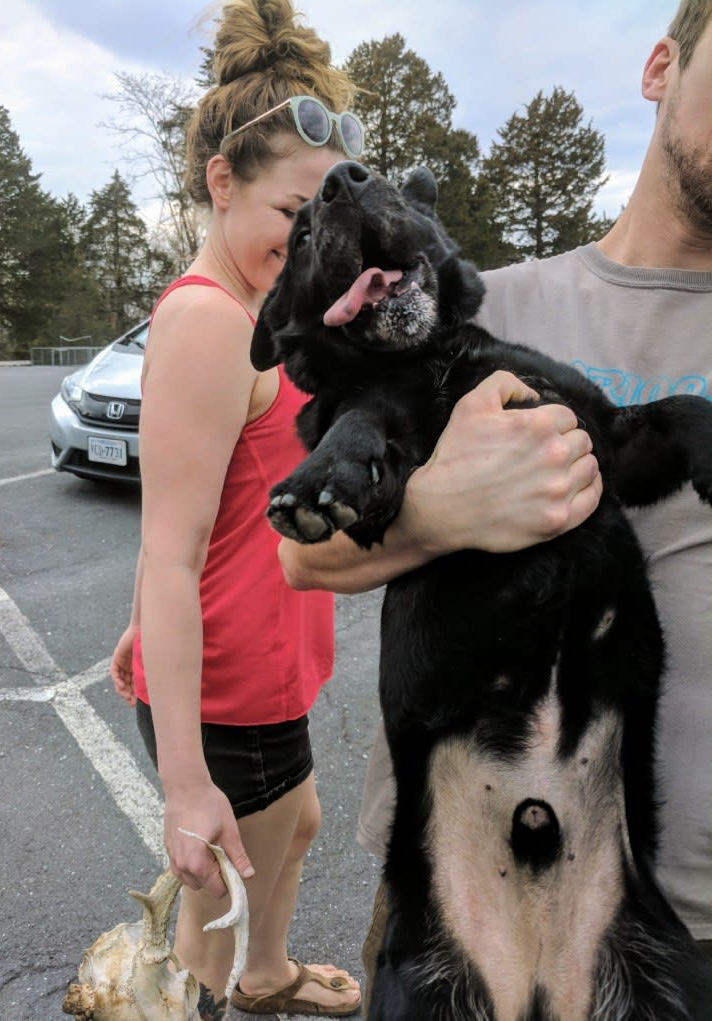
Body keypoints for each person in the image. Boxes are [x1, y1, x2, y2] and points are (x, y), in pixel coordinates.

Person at [111, 1, 600, 1016]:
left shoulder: (265, 309)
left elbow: (241, 499)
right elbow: (168, 551)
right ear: (218, 183)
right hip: (230, 685)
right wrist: (184, 783)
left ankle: (266, 975)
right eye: (293, 220)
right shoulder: (205, 319)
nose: (307, 249)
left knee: (297, 825)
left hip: (269, 657)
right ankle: (226, 986)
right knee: (223, 889)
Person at [279, 0, 712, 1008]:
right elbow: (304, 554)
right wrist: (438, 510)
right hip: (450, 880)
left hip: (673, 907)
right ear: (659, 67)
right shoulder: (480, 304)